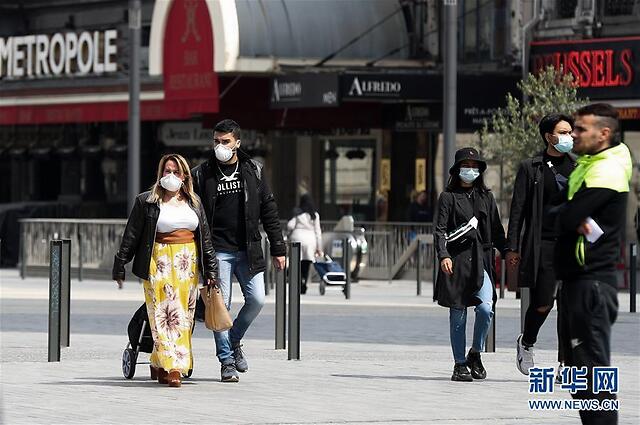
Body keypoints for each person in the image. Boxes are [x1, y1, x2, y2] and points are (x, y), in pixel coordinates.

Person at [191, 119, 286, 383]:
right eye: (216, 141)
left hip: (248, 249)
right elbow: (193, 212)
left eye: (225, 142)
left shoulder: (253, 169)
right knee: (221, 307)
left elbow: (269, 209)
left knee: (257, 300)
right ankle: (226, 362)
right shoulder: (202, 174)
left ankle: (234, 340)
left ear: (237, 143)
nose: (219, 146)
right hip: (217, 251)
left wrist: (279, 248)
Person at [112, 154, 218, 388]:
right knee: (164, 315)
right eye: (166, 171)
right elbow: (131, 235)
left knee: (184, 317)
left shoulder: (195, 202)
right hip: (158, 261)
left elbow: (206, 240)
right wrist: (120, 264)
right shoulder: (147, 202)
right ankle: (174, 368)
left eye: (176, 172)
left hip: (187, 264)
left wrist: (211, 271)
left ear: (184, 176)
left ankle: (159, 361)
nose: (170, 176)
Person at [554, 103, 630, 425]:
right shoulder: (591, 163)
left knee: (594, 380)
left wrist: (565, 215)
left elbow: (567, 215)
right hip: (576, 282)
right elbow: (568, 215)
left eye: (580, 129)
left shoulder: (606, 171)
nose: (574, 135)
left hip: (592, 284)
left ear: (604, 133)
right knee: (579, 378)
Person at [508, 113, 576, 377]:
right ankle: (526, 343)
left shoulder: (577, 166)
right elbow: (518, 211)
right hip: (543, 244)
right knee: (543, 302)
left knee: (569, 306)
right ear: (549, 136)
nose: (569, 137)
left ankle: (565, 364)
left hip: (572, 245)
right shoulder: (531, 167)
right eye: (563, 132)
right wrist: (512, 248)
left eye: (570, 132)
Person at [434, 147, 507, 382]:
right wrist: (443, 255)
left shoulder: (486, 197)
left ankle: (475, 352)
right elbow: (440, 230)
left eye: (475, 167)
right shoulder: (447, 197)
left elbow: (496, 229)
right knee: (458, 314)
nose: (471, 170)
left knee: (486, 308)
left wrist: (508, 251)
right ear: (457, 170)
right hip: (456, 261)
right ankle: (459, 364)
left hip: (482, 261)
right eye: (466, 166)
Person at [287, 193, 323, 294]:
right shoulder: (315, 215)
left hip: (297, 238)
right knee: (306, 264)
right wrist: (319, 248)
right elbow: (318, 232)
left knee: (296, 263)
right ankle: (304, 282)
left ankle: (298, 281)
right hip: (310, 240)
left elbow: (290, 225)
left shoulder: (297, 213)